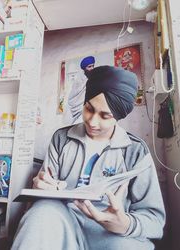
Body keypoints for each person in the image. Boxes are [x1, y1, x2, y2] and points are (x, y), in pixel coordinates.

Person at [11, 66, 165, 250]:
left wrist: (125, 224)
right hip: (63, 219)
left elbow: (154, 219)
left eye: (105, 116)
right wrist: (42, 187)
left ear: (118, 116)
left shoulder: (135, 151)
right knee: (39, 216)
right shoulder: (61, 138)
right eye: (89, 109)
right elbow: (44, 187)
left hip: (111, 232)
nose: (92, 121)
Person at [66, 56, 95, 124]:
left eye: (93, 66)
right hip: (79, 108)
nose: (92, 68)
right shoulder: (79, 80)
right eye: (89, 66)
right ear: (84, 68)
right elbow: (74, 97)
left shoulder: (92, 78)